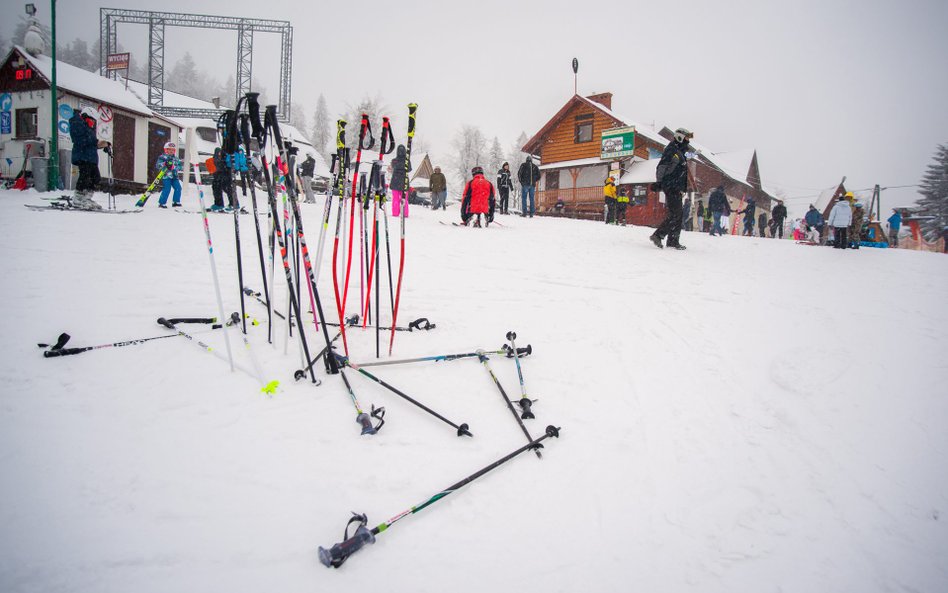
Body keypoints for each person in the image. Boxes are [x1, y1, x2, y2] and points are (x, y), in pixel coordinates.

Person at [649, 128, 693, 249]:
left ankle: (673, 241)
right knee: (676, 214)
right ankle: (658, 235)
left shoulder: (680, 151)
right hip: (671, 186)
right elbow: (661, 167)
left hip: (676, 187)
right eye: (687, 138)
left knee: (678, 214)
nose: (688, 140)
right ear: (680, 137)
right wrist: (659, 182)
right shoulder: (672, 149)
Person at [68, 106, 110, 210]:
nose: (93, 122)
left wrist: (104, 145)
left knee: (96, 178)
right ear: (86, 117)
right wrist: (97, 142)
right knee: (84, 177)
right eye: (92, 119)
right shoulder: (77, 124)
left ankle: (86, 198)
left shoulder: (88, 127)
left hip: (90, 157)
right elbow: (81, 140)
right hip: (82, 156)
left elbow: (91, 141)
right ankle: (78, 199)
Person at [155, 142, 183, 208]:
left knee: (178, 188)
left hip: (174, 176)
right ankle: (162, 203)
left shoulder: (176, 158)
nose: (171, 151)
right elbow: (158, 165)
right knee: (167, 189)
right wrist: (164, 164)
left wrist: (174, 167)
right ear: (166, 150)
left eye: (173, 150)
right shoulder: (162, 157)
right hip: (166, 176)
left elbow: (180, 167)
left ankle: (176, 202)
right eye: (169, 149)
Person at [210, 147, 236, 212]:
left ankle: (222, 204)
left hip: (221, 176)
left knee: (224, 189)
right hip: (223, 176)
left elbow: (218, 167)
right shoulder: (224, 157)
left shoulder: (220, 158)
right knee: (225, 188)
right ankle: (231, 204)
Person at [390, 144, 411, 218]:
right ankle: (405, 213)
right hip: (404, 181)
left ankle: (395, 213)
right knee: (404, 198)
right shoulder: (407, 161)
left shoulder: (394, 160)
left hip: (395, 181)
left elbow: (393, 167)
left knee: (395, 199)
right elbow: (409, 169)